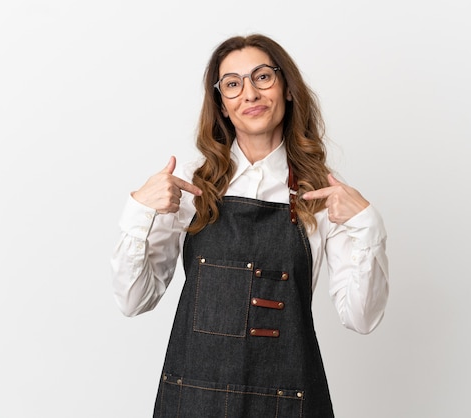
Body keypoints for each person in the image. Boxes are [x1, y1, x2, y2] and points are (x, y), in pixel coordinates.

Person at [111, 33, 389, 418]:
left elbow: (361, 318)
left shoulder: (323, 195)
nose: (250, 94)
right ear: (222, 105)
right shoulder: (191, 186)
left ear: (287, 88)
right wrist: (139, 211)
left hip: (287, 402)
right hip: (194, 401)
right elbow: (133, 300)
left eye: (262, 77)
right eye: (233, 84)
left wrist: (367, 225)